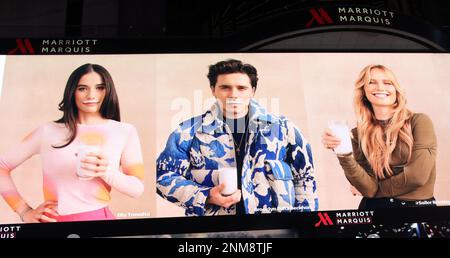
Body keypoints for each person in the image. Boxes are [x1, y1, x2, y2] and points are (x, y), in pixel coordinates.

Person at [156, 59, 318, 216]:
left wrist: (304, 223)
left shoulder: (282, 127)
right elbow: (162, 176)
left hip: (273, 227)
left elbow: (305, 177)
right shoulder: (188, 131)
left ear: (252, 90)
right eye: (225, 87)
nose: (233, 94)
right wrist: (206, 196)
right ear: (213, 89)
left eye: (241, 88)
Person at [0, 63, 145, 222]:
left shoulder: (124, 131)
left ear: (108, 90)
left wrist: (107, 172)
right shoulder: (47, 131)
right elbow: (2, 166)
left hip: (99, 223)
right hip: (52, 222)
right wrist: (24, 211)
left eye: (100, 87)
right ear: (72, 92)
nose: (91, 95)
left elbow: (137, 189)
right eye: (82, 88)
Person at [322, 64, 437, 209]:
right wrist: (342, 152)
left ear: (396, 90)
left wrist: (376, 190)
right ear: (363, 91)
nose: (380, 88)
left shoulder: (419, 121)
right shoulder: (357, 134)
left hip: (418, 211)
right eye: (372, 82)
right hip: (373, 211)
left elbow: (417, 176)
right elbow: (366, 187)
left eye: (387, 83)